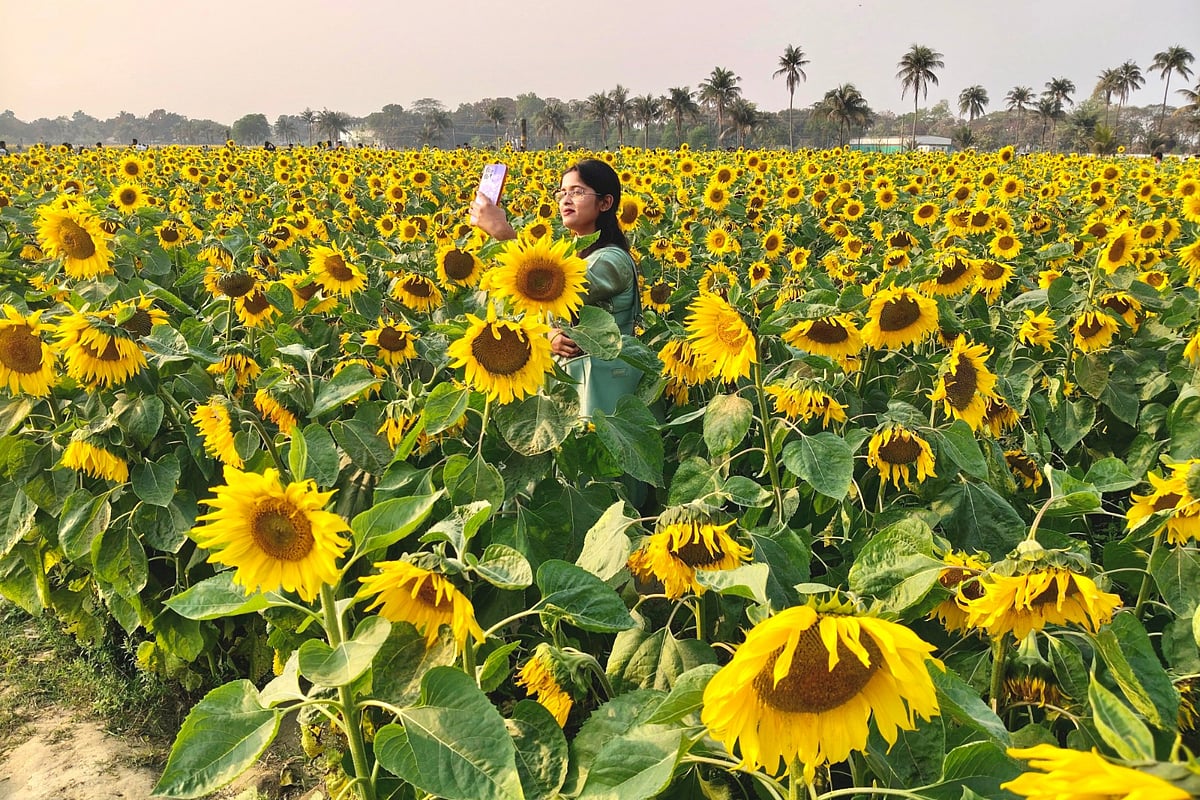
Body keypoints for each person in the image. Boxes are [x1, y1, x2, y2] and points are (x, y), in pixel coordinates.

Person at [470, 158, 642, 417]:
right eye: (562, 192)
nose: (565, 199)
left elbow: (567, 286)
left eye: (577, 192)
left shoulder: (612, 259)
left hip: (605, 389)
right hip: (572, 387)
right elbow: (542, 309)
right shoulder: (572, 255)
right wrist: (548, 336)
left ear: (605, 203)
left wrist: (505, 235)